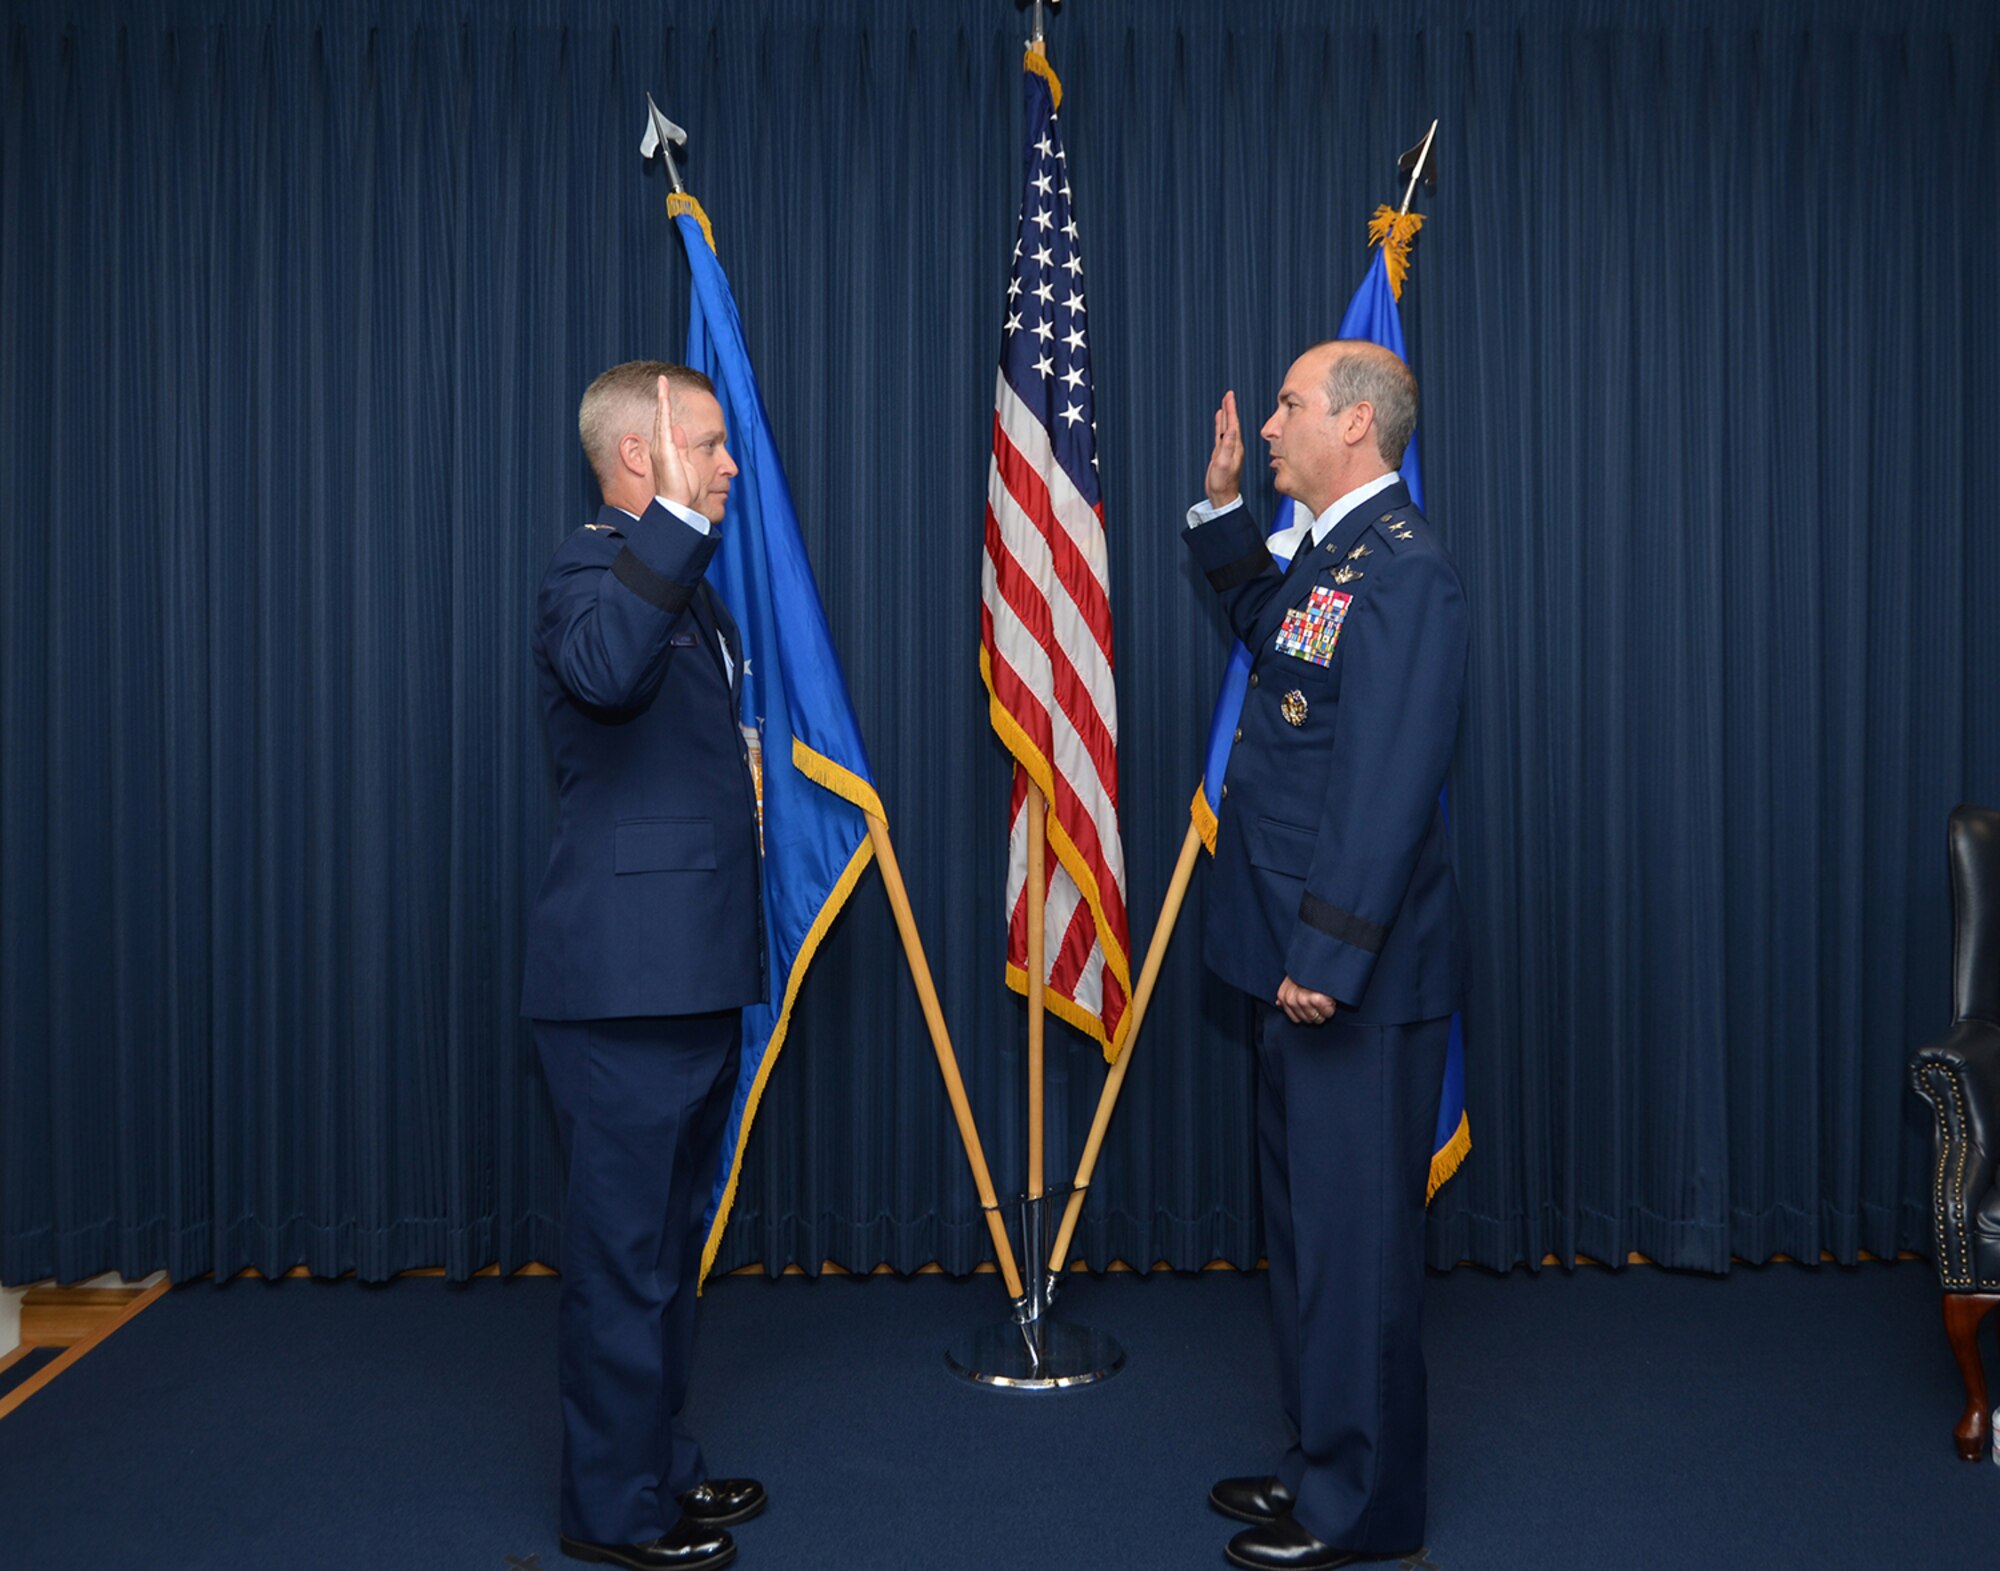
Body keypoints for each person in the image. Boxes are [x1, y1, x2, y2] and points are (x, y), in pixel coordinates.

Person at [1182, 341, 1469, 1571]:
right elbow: (1276, 639)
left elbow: (1385, 783)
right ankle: (1315, 1462)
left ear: (1354, 424)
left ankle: (1362, 1509)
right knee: (1304, 1234)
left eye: (1292, 404)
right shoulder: (1332, 558)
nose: (1276, 418)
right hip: (1286, 955)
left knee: (1356, 1255)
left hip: (1344, 971)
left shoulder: (1404, 571)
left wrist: (1328, 950)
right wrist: (1218, 508)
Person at [521, 361, 768, 1571]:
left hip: (689, 973)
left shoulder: (694, 595)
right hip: (619, 989)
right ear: (643, 453)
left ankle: (656, 1469)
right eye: (710, 444)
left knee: (664, 1249)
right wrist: (673, 523)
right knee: (622, 1260)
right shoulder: (591, 568)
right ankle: (609, 1512)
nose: (730, 466)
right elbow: (606, 672)